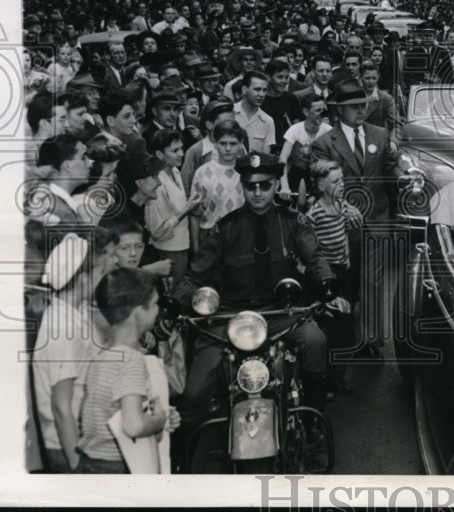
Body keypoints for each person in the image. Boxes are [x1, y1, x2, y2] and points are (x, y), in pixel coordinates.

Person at [173, 153, 337, 433]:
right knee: (195, 390)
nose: (257, 192)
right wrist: (178, 302)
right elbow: (194, 275)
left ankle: (312, 418)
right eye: (251, 186)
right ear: (243, 187)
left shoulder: (293, 222)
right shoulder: (226, 228)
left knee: (315, 341)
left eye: (265, 185)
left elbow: (315, 257)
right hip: (230, 316)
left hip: (281, 313)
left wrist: (327, 283)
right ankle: (182, 455)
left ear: (275, 186)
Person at [311, 80, 399, 358]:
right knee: (345, 283)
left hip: (378, 219)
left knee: (374, 283)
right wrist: (344, 206)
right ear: (339, 111)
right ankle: (343, 341)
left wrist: (405, 181)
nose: (360, 111)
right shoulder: (324, 143)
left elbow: (390, 173)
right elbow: (323, 184)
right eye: (353, 107)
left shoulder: (380, 135)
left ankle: (370, 342)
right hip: (340, 224)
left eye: (363, 105)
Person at [76, 268, 181, 473]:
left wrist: (159, 416)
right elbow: (133, 426)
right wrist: (158, 420)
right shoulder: (131, 359)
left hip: (92, 462)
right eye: (154, 304)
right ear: (139, 313)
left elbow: (111, 411)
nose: (158, 310)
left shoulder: (103, 353)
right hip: (119, 466)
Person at [31, 230, 118, 472]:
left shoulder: (73, 312)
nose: (104, 277)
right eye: (100, 273)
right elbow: (61, 406)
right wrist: (76, 465)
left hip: (81, 437)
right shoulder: (63, 328)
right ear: (82, 280)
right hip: (68, 447)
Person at [307, 159, 362, 395]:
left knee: (345, 328)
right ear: (320, 186)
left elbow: (346, 232)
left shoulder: (341, 204)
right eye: (334, 181)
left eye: (342, 180)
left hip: (344, 273)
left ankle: (337, 375)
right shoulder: (314, 214)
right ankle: (322, 378)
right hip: (326, 277)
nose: (341, 185)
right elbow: (310, 250)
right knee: (327, 329)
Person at [144, 129, 200, 284]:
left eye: (181, 148)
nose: (181, 153)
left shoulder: (175, 171)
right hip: (166, 251)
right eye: (175, 150)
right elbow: (157, 231)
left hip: (182, 246)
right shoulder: (156, 183)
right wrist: (188, 209)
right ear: (160, 154)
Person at [188, 119, 246, 250]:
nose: (228, 149)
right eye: (223, 143)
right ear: (214, 143)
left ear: (241, 144)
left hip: (241, 238)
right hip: (210, 237)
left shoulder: (246, 172)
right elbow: (195, 215)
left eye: (233, 143)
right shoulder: (202, 172)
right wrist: (196, 249)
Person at [280, 92, 332, 209]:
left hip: (319, 178)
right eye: (318, 110)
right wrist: (284, 186)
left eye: (324, 110)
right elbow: (283, 158)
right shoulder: (295, 130)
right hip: (296, 176)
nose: (323, 114)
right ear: (306, 112)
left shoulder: (329, 130)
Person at [180, 100, 237, 195]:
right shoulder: (196, 152)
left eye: (232, 122)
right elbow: (185, 187)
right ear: (209, 125)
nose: (230, 127)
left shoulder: (238, 147)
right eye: (224, 123)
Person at [232, 70, 275, 154]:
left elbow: (265, 156)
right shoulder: (229, 113)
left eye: (264, 90)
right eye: (257, 89)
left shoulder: (268, 121)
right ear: (244, 90)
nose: (262, 94)